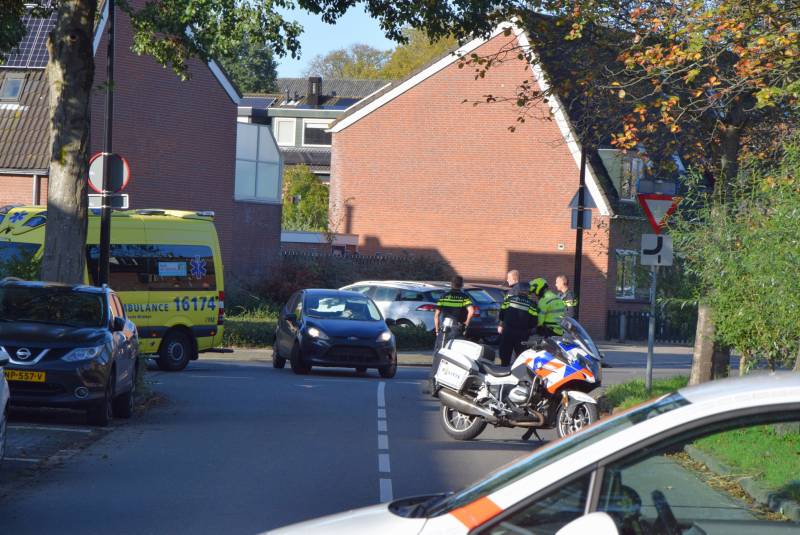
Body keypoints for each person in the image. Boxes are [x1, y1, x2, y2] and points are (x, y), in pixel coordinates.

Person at [428, 276, 474, 391]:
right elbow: (471, 311)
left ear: (451, 284)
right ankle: (453, 384)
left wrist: (437, 329)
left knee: (439, 355)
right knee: (457, 356)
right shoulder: (464, 297)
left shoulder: (444, 296)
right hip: (458, 329)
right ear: (462, 285)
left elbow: (436, 315)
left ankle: (434, 385)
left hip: (445, 329)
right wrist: (466, 324)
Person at [497, 283, 537, 366]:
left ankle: (504, 369)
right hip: (522, 333)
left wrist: (501, 324)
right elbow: (533, 322)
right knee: (521, 355)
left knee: (505, 354)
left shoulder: (509, 300)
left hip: (507, 331)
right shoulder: (532, 304)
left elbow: (501, 314)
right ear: (528, 292)